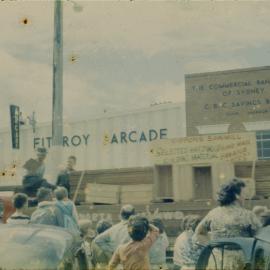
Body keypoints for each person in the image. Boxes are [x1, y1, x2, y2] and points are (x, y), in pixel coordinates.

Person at [195, 178, 262, 270]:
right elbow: (261, 239)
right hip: (241, 261)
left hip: (217, 261)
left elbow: (199, 233)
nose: (245, 197)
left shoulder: (213, 213)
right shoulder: (248, 215)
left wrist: (211, 246)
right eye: (244, 193)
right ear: (236, 195)